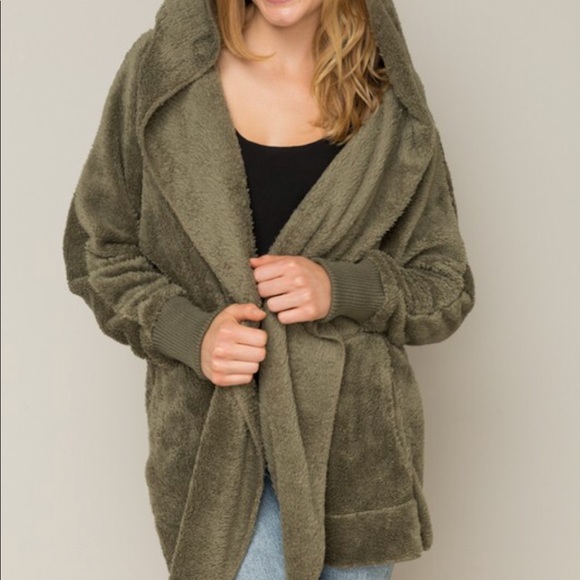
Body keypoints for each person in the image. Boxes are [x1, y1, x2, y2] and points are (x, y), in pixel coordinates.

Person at [62, 0, 475, 579]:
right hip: (216, 444)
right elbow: (97, 247)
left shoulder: (387, 101)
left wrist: (343, 287)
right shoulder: (166, 73)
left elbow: (445, 284)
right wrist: (189, 332)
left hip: (353, 457)